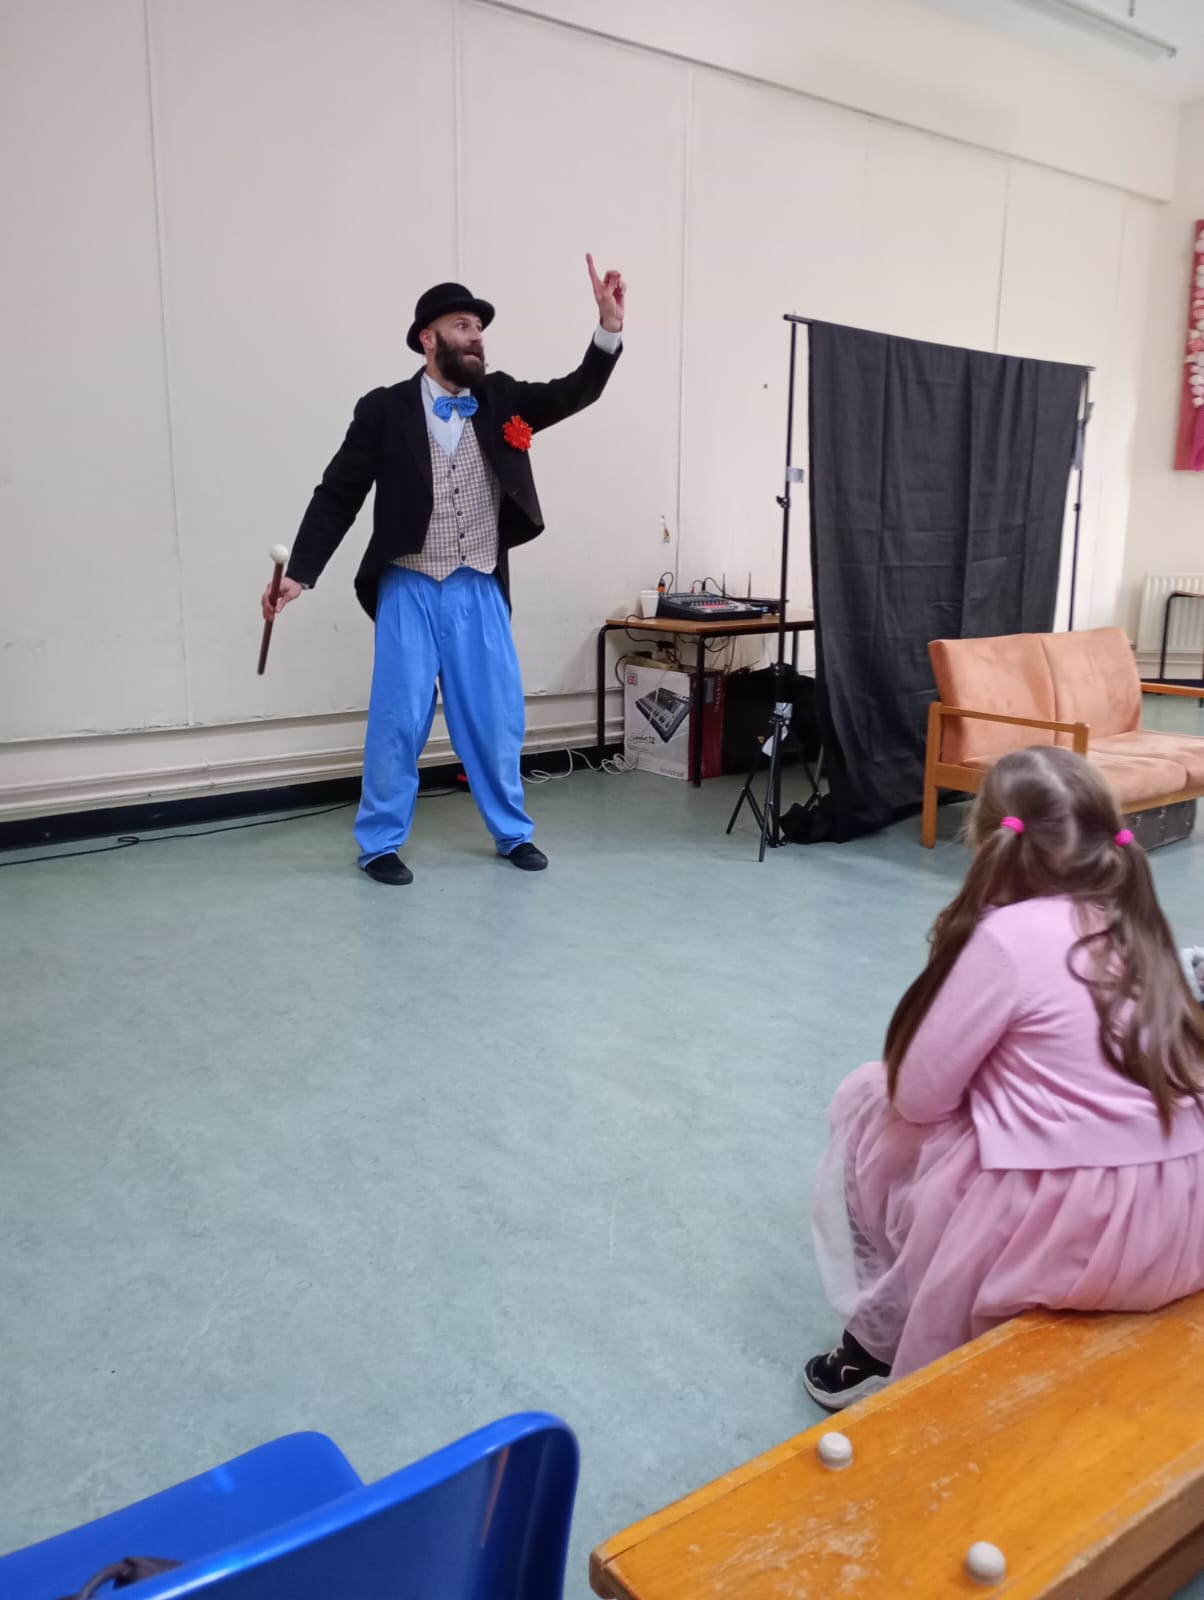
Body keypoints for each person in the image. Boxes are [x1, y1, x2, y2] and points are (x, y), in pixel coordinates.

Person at [806, 744, 1204, 1410]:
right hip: (1179, 1221)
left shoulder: (1005, 936)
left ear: (985, 837)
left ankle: (875, 1344)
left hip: (1069, 1232)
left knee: (871, 1097)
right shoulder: (1137, 920)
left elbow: (919, 1096)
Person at [262, 256, 626, 885]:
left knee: (494, 718)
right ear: (428, 339)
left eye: (479, 328)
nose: (476, 337)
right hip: (407, 583)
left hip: (478, 583)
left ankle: (512, 833)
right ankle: (380, 843)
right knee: (398, 721)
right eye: (463, 326)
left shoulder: (501, 398)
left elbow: (576, 391)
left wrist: (608, 328)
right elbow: (338, 493)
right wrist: (301, 571)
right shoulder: (384, 410)